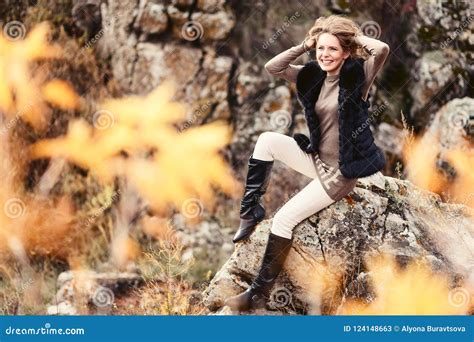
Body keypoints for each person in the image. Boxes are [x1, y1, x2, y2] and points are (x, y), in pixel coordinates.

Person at [226, 15, 390, 312]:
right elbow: (272, 67)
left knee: (284, 220)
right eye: (321, 49)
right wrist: (305, 44)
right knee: (266, 140)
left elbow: (381, 49)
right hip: (315, 158)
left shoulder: (358, 76)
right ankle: (250, 211)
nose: (325, 55)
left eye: (333, 50)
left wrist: (353, 38)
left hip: (339, 174)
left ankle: (257, 293)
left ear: (345, 53)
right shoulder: (312, 74)